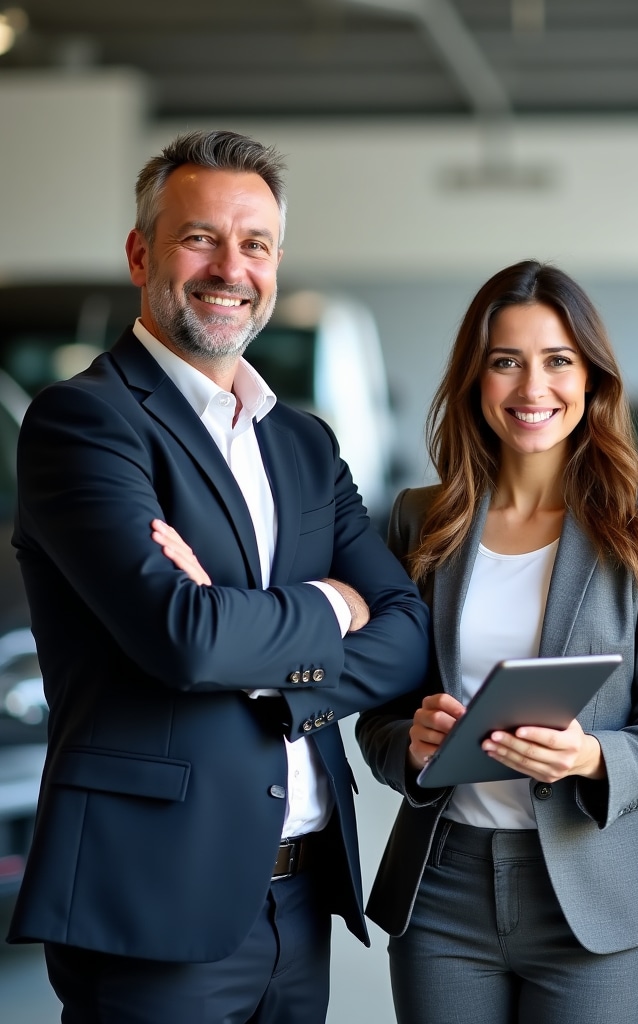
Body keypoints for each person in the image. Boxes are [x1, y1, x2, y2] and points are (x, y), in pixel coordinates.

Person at [6, 129, 430, 1024]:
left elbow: (404, 631)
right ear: (140, 253)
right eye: (201, 237)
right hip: (153, 894)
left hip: (302, 890)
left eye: (257, 244)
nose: (230, 267)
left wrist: (271, 669)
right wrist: (327, 603)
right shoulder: (84, 423)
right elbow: (183, 638)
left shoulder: (303, 444)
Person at [355, 259, 638, 1024]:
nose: (531, 387)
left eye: (557, 361)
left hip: (595, 892)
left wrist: (592, 757)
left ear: (592, 378)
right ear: (476, 380)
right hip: (443, 890)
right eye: (506, 362)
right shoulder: (419, 521)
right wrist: (410, 747)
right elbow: (377, 716)